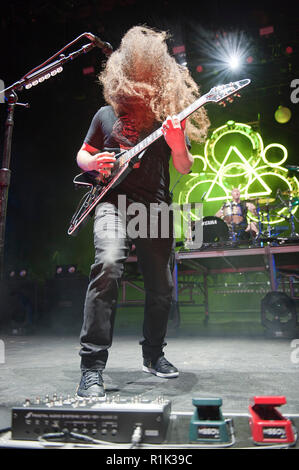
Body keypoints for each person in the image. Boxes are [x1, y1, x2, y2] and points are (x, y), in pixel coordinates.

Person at [75, 26, 210, 399]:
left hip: (154, 206)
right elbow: (83, 154)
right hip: (111, 204)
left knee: (162, 287)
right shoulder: (105, 114)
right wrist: (92, 163)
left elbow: (184, 167)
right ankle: (91, 368)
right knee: (107, 266)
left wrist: (177, 141)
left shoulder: (168, 114)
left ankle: (154, 355)